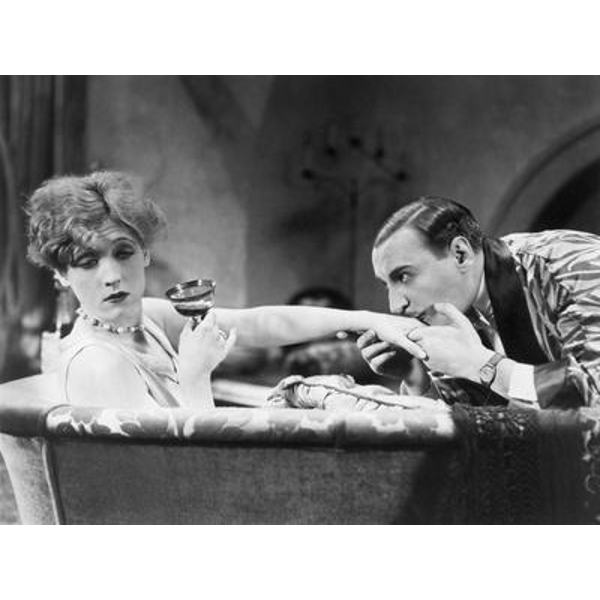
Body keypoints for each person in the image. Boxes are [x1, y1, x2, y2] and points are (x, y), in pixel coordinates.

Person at [25, 171, 426, 410]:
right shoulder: (100, 362)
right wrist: (195, 375)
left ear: (145, 252)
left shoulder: (147, 318)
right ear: (61, 275)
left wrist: (367, 319)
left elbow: (261, 324)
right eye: (88, 261)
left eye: (123, 252)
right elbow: (177, 480)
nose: (112, 275)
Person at [357, 196, 600, 409]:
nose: (395, 306)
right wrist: (414, 377)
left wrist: (483, 365)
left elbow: (594, 390)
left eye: (404, 276)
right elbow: (475, 430)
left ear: (460, 254)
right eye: (387, 285)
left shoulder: (571, 266)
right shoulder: (453, 311)